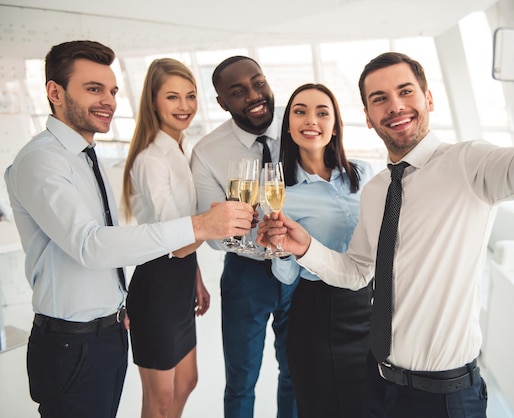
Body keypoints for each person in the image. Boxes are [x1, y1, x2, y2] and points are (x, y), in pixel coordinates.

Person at [258, 21, 514, 418]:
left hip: (445, 397)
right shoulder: (374, 191)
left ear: (429, 98)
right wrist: (304, 247)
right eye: (379, 98)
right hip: (377, 384)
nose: (395, 105)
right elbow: (356, 271)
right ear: (369, 118)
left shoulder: (468, 164)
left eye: (405, 92)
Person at [3, 40, 253, 418]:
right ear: (54, 93)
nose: (109, 100)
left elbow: (112, 242)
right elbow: (90, 245)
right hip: (72, 340)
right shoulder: (41, 162)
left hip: (107, 329)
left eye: (113, 91)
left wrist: (120, 300)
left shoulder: (86, 156)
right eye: (93, 89)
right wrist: (202, 225)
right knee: (158, 401)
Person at [190, 56, 297, 418]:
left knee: (296, 372)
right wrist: (236, 228)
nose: (254, 95)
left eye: (258, 82)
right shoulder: (207, 152)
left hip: (301, 268)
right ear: (222, 103)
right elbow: (213, 234)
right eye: (237, 92)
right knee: (241, 380)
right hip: (246, 274)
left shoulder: (297, 121)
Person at [271, 83, 375, 417]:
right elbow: (286, 276)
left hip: (370, 308)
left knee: (371, 405)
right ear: (288, 125)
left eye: (322, 112)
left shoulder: (364, 174)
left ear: (334, 126)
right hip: (317, 311)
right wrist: (282, 250)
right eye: (300, 111)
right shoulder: (279, 192)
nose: (310, 120)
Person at [121, 58, 209, 418]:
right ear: (153, 102)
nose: (184, 106)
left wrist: (197, 278)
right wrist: (219, 225)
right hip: (156, 286)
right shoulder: (150, 159)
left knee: (187, 381)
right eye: (173, 97)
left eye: (190, 96)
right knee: (158, 400)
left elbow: (185, 225)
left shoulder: (183, 149)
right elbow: (173, 239)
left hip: (181, 279)